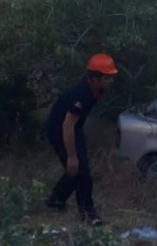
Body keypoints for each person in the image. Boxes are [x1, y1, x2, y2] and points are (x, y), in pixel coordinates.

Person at [44, 53, 118, 226]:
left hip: (73, 129)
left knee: (76, 169)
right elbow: (67, 125)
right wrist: (71, 156)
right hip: (60, 131)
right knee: (81, 172)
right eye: (107, 78)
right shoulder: (80, 94)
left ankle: (56, 200)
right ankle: (87, 213)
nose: (111, 82)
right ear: (94, 78)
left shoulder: (96, 89)